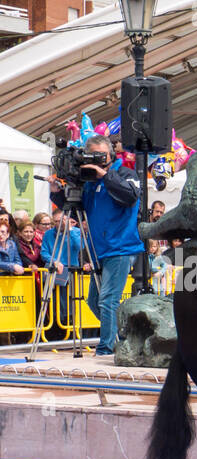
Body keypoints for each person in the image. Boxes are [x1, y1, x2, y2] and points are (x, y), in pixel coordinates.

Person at [50, 135, 144, 356]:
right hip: (97, 249)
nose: (99, 159)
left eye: (102, 155)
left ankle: (106, 348)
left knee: (108, 299)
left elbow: (130, 197)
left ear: (110, 154)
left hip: (121, 247)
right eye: (94, 155)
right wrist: (57, 192)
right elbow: (77, 206)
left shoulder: (124, 173)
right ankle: (124, 337)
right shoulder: (90, 181)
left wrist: (105, 175)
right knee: (94, 300)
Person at [39, 210, 88, 328]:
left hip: (71, 269)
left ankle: (70, 323)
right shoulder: (49, 234)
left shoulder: (76, 231)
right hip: (55, 269)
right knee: (55, 302)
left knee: (70, 301)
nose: (59, 223)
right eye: (56, 221)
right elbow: (44, 252)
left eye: (62, 220)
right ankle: (56, 325)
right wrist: (54, 261)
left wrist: (70, 231)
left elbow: (80, 246)